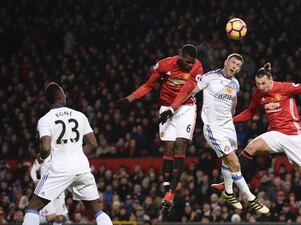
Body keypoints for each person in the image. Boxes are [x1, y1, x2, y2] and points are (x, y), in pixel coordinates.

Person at [211, 63, 301, 225]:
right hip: (274, 134)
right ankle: (228, 184)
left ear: (271, 80)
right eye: (258, 84)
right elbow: (250, 112)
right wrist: (231, 120)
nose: (261, 87)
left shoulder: (284, 88)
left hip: (293, 136)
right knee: (251, 147)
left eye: (264, 84)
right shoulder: (259, 93)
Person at [159, 54, 269, 214]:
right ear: (226, 62)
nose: (235, 66)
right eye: (233, 62)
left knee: (228, 160)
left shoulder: (235, 84)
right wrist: (173, 109)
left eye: (238, 65)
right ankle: (251, 199)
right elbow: (191, 92)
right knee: (234, 161)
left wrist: (231, 118)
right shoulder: (210, 77)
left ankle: (229, 193)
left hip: (228, 128)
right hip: (213, 128)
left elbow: (233, 102)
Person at [115, 44, 203, 214]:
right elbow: (148, 85)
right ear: (179, 56)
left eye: (191, 62)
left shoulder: (197, 67)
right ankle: (166, 189)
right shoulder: (164, 65)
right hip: (165, 107)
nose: (189, 65)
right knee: (168, 148)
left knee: (180, 145)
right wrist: (130, 99)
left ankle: (171, 192)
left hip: (185, 107)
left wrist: (172, 109)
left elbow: (185, 91)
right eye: (186, 62)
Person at [22, 82, 112, 225]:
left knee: (32, 209)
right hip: (82, 169)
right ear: (59, 97)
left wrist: (41, 157)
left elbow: (45, 148)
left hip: (59, 170)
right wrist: (77, 154)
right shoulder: (79, 115)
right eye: (63, 93)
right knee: (97, 211)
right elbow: (93, 144)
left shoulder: (45, 120)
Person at [30, 159, 68, 225]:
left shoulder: (62, 155)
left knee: (60, 217)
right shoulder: (43, 155)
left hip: (59, 189)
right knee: (50, 216)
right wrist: (35, 180)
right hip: (47, 189)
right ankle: (34, 222)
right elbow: (33, 170)